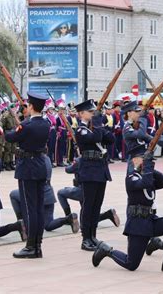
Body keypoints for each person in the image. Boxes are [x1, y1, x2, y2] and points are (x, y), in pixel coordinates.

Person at [92, 146, 163, 273]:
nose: (145, 161)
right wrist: (146, 167)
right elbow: (145, 184)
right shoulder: (131, 177)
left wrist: (150, 167)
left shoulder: (148, 175)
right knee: (131, 264)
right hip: (138, 225)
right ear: (135, 160)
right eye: (142, 158)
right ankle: (106, 250)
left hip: (151, 220)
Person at [5, 92, 50, 259]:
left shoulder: (27, 125)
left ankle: (31, 246)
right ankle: (37, 244)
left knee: (29, 208)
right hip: (40, 166)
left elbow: (11, 137)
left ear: (31, 106)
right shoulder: (45, 124)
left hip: (27, 168)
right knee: (38, 208)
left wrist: (6, 129)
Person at [75, 99, 115, 251]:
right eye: (90, 112)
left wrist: (101, 126)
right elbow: (96, 138)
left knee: (97, 205)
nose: (93, 114)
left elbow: (111, 139)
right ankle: (85, 238)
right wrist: (98, 124)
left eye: (94, 112)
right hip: (89, 171)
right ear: (81, 114)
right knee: (88, 205)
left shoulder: (96, 127)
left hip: (100, 169)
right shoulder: (81, 129)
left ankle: (93, 235)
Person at [9, 155, 80, 234]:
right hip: (49, 195)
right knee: (48, 225)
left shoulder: (33, 160)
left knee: (13, 195)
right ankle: (68, 219)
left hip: (36, 193)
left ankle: (22, 224)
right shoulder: (47, 159)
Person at [57, 157, 120, 227]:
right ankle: (108, 214)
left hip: (81, 190)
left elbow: (68, 170)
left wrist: (70, 164)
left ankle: (69, 217)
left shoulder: (80, 160)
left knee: (60, 193)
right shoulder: (99, 160)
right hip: (94, 189)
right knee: (89, 216)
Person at [122, 101, 152, 172]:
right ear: (129, 113)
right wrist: (143, 119)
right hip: (135, 160)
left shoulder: (136, 126)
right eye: (136, 112)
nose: (138, 114)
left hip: (144, 159)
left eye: (139, 112)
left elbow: (150, 139)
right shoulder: (127, 128)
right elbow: (141, 134)